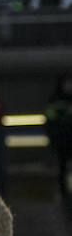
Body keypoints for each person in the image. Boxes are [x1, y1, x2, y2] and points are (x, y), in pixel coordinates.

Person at [44, 74, 72, 204]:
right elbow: (50, 121)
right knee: (62, 167)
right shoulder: (55, 100)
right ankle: (64, 193)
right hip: (61, 140)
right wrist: (53, 138)